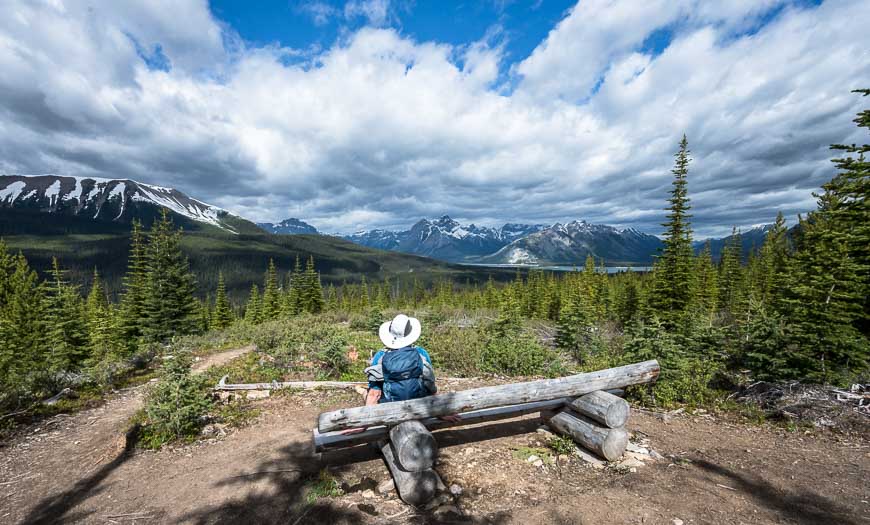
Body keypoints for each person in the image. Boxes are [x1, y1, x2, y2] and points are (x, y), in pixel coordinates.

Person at [341, 314, 458, 435]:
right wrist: (440, 412)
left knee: (367, 394)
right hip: (419, 409)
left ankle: (362, 392)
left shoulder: (380, 356)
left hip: (390, 412)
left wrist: (363, 424)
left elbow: (374, 394)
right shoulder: (421, 353)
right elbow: (430, 387)